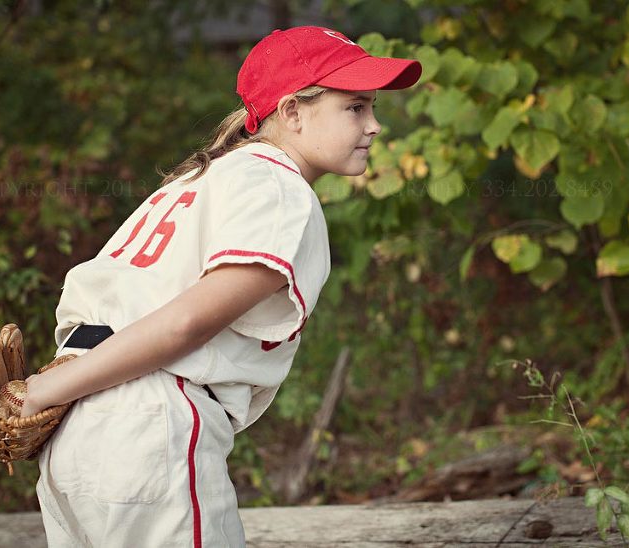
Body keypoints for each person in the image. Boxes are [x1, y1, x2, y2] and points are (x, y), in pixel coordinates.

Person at [23, 25, 422, 547]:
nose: (374, 126)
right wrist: (41, 392)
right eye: (355, 107)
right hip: (145, 413)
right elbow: (187, 321)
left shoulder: (202, 178)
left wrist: (50, 391)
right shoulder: (279, 187)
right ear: (293, 112)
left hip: (80, 415)